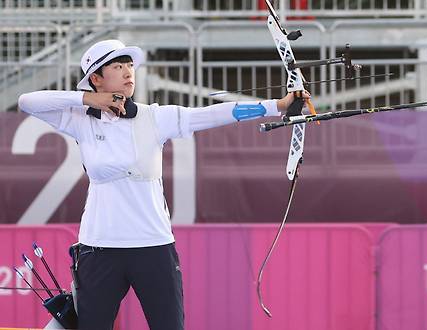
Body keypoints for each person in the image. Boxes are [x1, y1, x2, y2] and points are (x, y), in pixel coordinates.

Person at [18, 39, 308, 330]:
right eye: (117, 66)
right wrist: (88, 100)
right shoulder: (81, 120)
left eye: (130, 65)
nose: (128, 71)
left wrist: (277, 106)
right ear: (96, 79)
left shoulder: (155, 117)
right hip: (98, 248)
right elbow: (27, 102)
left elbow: (213, 114)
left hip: (153, 246)